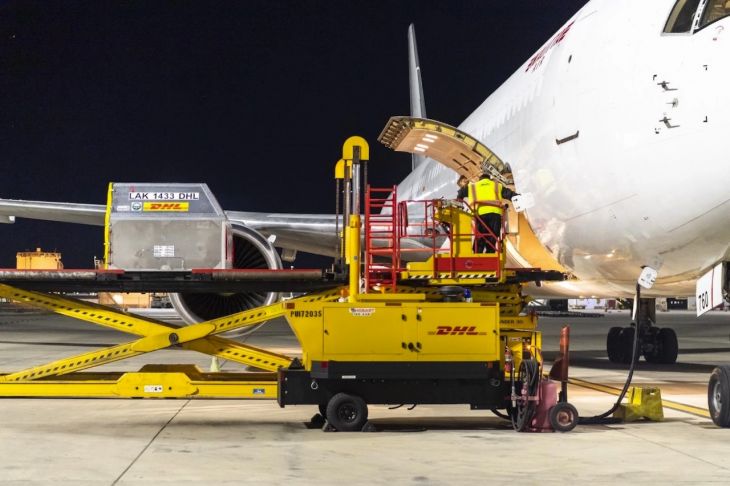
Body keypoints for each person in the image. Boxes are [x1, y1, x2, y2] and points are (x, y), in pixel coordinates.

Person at [467, 171, 518, 253]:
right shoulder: (496, 185)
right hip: (495, 214)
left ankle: (477, 254)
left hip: (480, 215)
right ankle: (490, 254)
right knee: (492, 237)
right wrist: (519, 197)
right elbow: (509, 194)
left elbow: (461, 194)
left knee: (480, 237)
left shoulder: (473, 186)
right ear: (489, 179)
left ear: (480, 179)